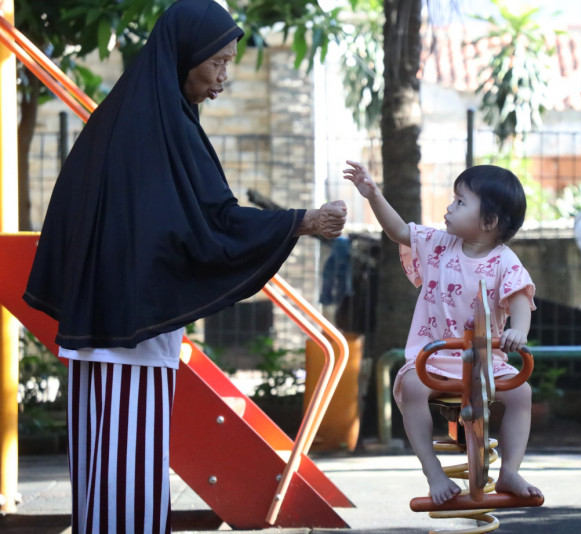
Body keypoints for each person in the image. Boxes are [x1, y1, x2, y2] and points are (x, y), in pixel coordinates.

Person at [22, 1, 346, 532]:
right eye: (217, 62)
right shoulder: (164, 127)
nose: (223, 77)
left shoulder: (122, 118)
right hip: (134, 327)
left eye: (228, 63)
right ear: (183, 56)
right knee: (132, 469)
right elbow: (209, 223)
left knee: (99, 467)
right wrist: (300, 222)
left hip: (97, 319)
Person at [343, 160, 542, 505]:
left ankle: (510, 470)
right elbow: (399, 231)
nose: (450, 207)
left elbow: (520, 298)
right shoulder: (438, 244)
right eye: (453, 199)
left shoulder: (504, 261)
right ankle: (433, 471)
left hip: (485, 361)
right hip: (433, 359)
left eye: (460, 202)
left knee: (521, 393)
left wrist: (519, 332)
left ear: (489, 222)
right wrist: (373, 194)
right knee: (412, 387)